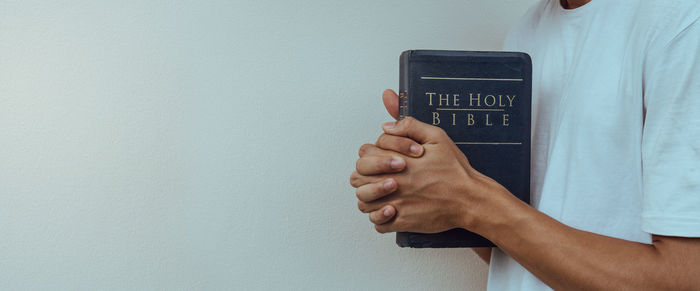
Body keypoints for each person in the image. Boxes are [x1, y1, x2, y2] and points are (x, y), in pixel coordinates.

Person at [349, 0, 700, 289]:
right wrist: (432, 188)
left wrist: (471, 201)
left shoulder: (681, 20)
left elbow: (685, 275)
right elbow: (514, 248)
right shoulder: (529, 29)